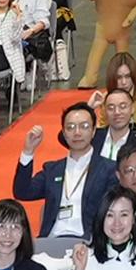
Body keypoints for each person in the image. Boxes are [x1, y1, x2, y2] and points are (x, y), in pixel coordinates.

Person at [14, 103, 117, 240]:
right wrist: (28, 152)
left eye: (84, 126)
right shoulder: (52, 170)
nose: (77, 133)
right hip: (52, 240)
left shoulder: (109, 169)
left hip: (89, 242)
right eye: (70, 127)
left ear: (93, 131)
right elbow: (22, 192)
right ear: (63, 133)